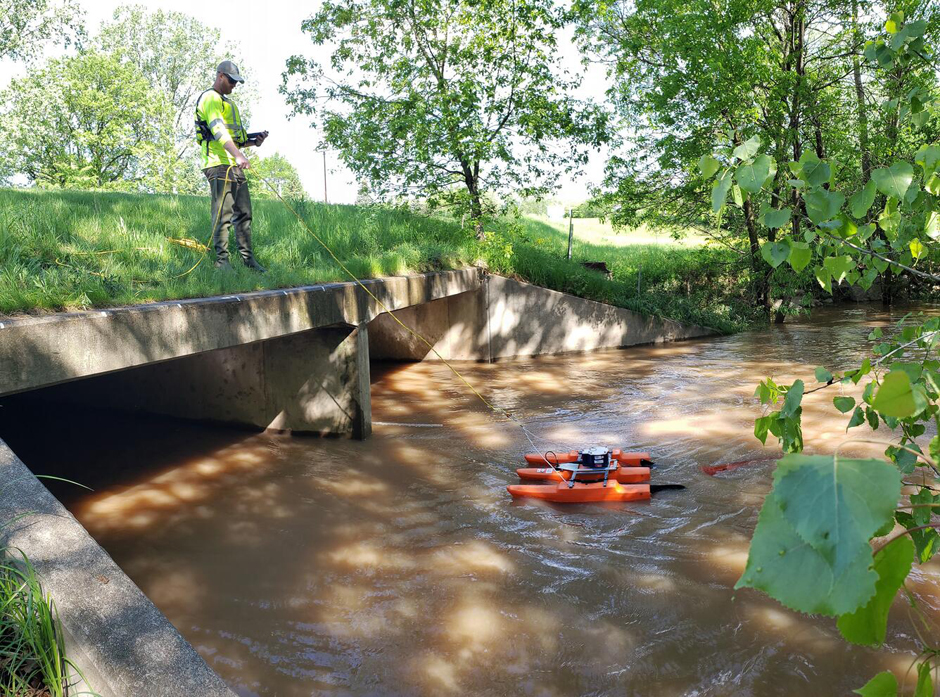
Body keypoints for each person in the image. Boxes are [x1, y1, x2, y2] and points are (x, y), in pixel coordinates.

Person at [194, 60, 268, 272]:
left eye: (236, 82)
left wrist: (254, 141)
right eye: (231, 81)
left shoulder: (230, 105)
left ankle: (248, 261)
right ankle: (222, 262)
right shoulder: (210, 98)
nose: (234, 85)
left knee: (244, 213)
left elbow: (237, 138)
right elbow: (217, 130)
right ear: (220, 76)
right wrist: (238, 155)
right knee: (223, 215)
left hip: (234, 165)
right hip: (218, 164)